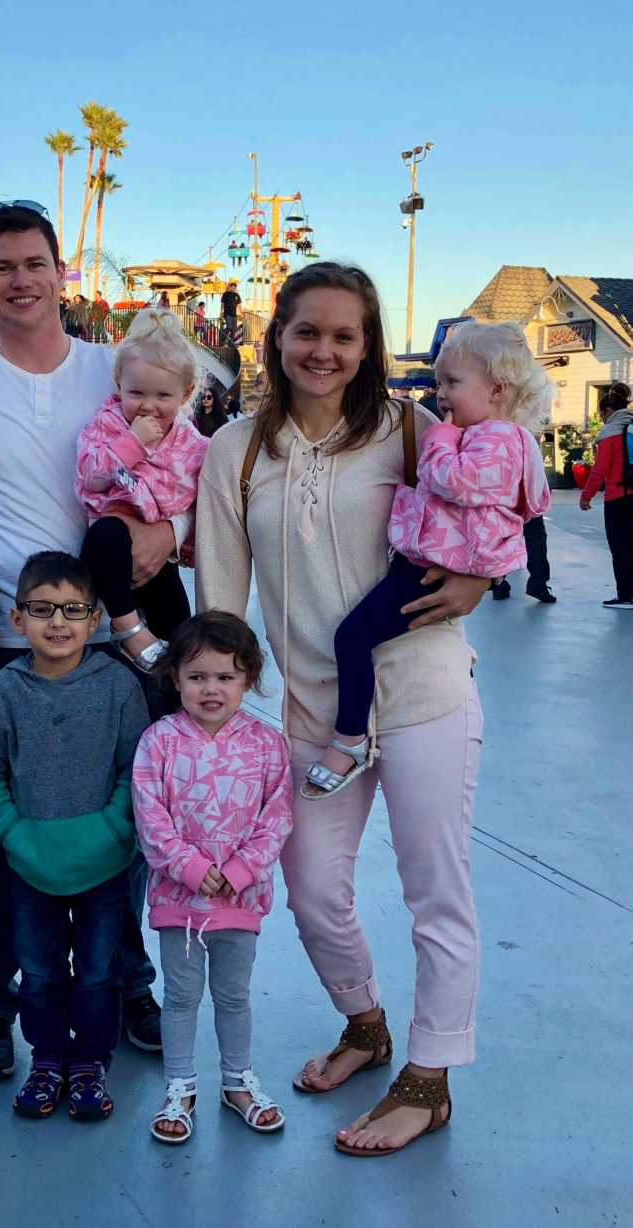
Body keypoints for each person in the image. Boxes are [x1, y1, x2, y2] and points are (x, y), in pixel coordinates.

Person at [196, 262, 491, 1157]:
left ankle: (430, 1078)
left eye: (344, 335)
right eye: (307, 331)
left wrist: (482, 574)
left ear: (366, 347)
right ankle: (366, 1025)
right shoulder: (237, 449)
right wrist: (219, 710)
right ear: (275, 337)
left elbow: (492, 512)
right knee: (314, 890)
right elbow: (221, 594)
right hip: (316, 720)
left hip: (427, 698)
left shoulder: (415, 431)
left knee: (435, 893)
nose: (323, 350)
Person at [0, 201, 183, 1077]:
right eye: (1, 267)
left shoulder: (115, 370)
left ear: (61, 271)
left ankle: (127, 984)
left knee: (124, 825)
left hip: (115, 646)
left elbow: (190, 469)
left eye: (34, 262)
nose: (19, 280)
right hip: (7, 649)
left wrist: (167, 537)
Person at [301, 319, 550, 800]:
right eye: (441, 382)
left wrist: (438, 442)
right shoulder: (491, 436)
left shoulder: (495, 439)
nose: (441, 395)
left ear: (496, 389)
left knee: (352, 637)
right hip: (434, 560)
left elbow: (453, 482)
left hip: (431, 568)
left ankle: (350, 738)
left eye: (453, 383)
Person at [0, 551, 149, 1120]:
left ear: (94, 619)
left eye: (73, 609)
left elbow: (136, 767)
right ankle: (48, 1059)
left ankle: (90, 1060)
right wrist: (13, 832)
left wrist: (113, 828)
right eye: (41, 610)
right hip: (29, 865)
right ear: (17, 620)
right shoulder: (3, 691)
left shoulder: (119, 685)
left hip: (103, 863)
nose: (58, 622)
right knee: (40, 972)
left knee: (98, 970)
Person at [133, 611, 292, 1144]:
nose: (211, 689)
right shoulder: (158, 743)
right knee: (179, 999)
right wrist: (193, 869)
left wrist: (242, 870)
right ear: (174, 677)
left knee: (233, 995)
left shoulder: (268, 746)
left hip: (240, 902)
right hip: (180, 901)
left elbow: (278, 817)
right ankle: (180, 1084)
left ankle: (236, 1080)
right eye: (197, 676)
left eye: (226, 677)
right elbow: (150, 818)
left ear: (248, 678)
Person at [75, 309, 208, 669]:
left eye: (163, 395)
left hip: (161, 558)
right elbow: (90, 473)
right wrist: (131, 443)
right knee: (105, 537)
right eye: (136, 392)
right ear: (118, 383)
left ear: (186, 394)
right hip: (111, 541)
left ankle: (177, 688)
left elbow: (202, 499)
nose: (148, 405)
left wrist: (182, 539)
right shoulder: (108, 424)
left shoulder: (193, 444)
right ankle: (128, 626)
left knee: (178, 624)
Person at [580, 382, 633, 609]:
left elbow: (600, 470)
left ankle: (626, 596)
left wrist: (586, 497)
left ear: (609, 411)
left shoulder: (610, 433)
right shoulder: (631, 427)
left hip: (618, 499)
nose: (601, 418)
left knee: (620, 547)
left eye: (601, 413)